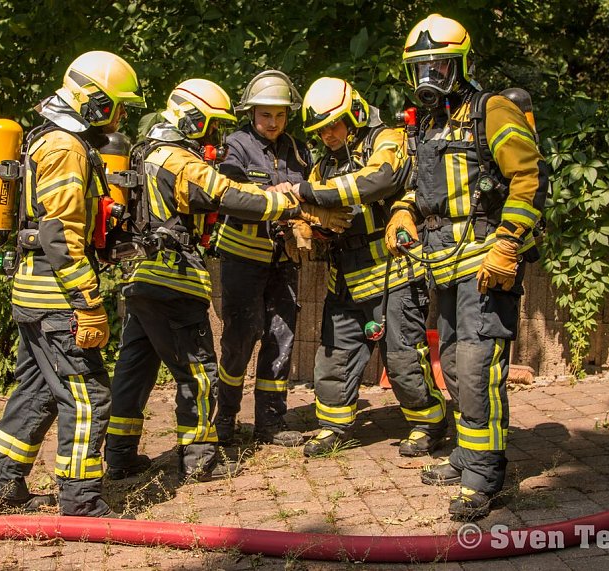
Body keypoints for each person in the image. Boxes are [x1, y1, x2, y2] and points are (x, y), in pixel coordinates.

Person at [104, 78, 351, 482]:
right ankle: (202, 458)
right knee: (199, 371)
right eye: (209, 123)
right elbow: (225, 194)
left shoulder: (147, 151)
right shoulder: (180, 160)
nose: (213, 133)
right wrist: (288, 206)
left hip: (143, 275)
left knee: (135, 367)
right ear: (191, 118)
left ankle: (120, 455)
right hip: (175, 276)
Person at [0, 51, 146, 518]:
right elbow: (60, 234)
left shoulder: (52, 139)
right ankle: (81, 499)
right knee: (89, 397)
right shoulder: (66, 148)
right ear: (95, 103)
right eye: (117, 106)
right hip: (57, 300)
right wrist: (87, 301)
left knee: (36, 392)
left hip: (34, 292)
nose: (120, 116)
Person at [395, 14, 548, 520]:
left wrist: (508, 242)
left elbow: (528, 177)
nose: (429, 78)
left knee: (478, 367)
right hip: (443, 263)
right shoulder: (426, 124)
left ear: (461, 66)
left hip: (486, 261)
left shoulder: (492, 111)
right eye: (421, 68)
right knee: (454, 362)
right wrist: (403, 213)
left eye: (438, 66)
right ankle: (467, 451)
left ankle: (484, 474)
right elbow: (422, 189)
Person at [292, 77, 447, 458]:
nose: (328, 135)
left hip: (394, 272)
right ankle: (334, 426)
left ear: (355, 114)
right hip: (344, 277)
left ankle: (428, 422)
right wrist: (311, 221)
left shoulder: (386, 139)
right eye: (320, 130)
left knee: (403, 357)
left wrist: (310, 195)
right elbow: (305, 207)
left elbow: (381, 179)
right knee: (334, 355)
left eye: (333, 125)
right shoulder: (323, 165)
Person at [213, 71, 312, 448]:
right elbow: (229, 194)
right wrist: (273, 193)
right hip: (242, 259)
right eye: (266, 115)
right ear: (251, 112)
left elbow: (311, 190)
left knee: (280, 337)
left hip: (284, 259)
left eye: (280, 115)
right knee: (240, 339)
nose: (273, 122)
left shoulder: (298, 149)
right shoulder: (234, 146)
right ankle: (224, 419)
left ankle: (270, 422)